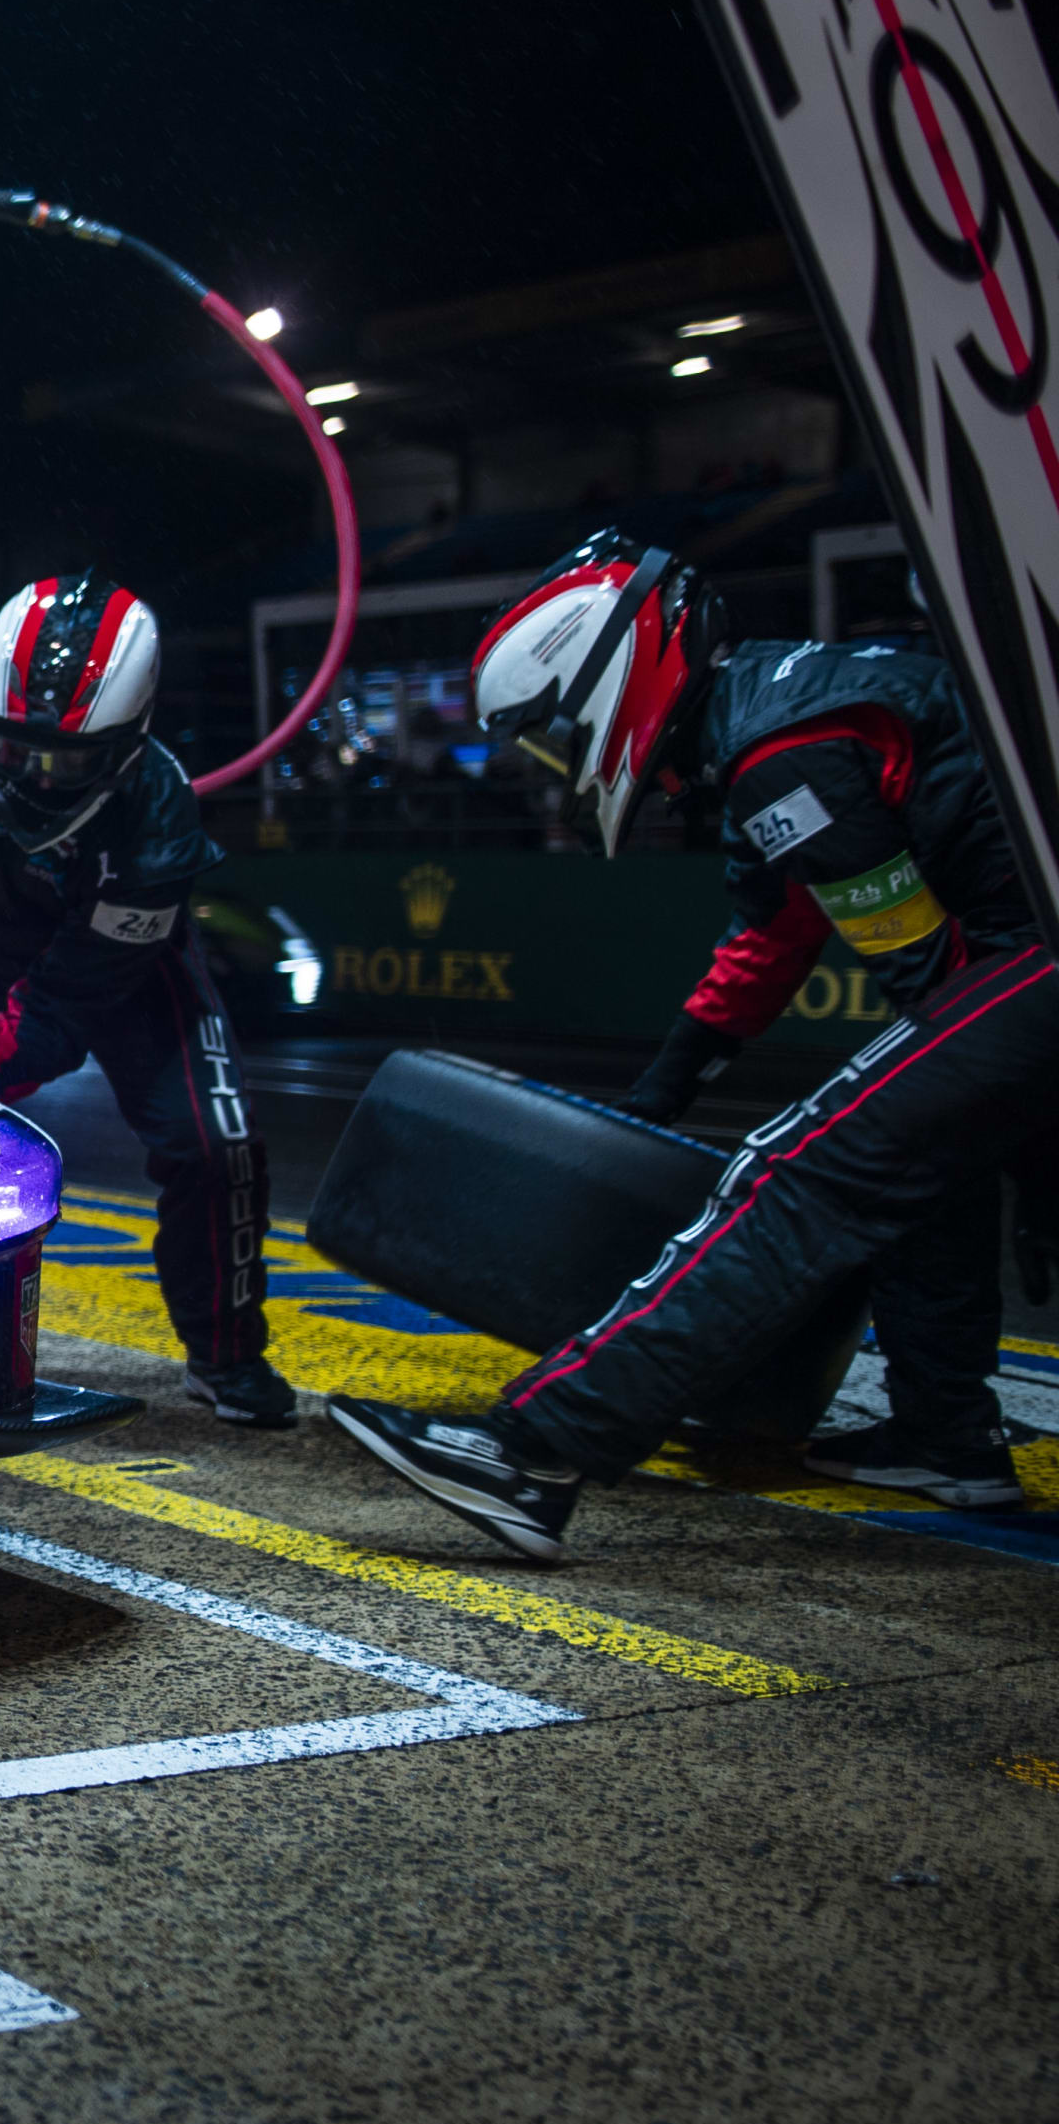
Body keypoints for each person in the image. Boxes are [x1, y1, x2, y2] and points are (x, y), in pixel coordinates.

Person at [329, 536, 1054, 1553]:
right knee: (916, 1155)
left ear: (610, 685)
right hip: (1031, 951)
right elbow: (773, 935)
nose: (557, 767)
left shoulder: (780, 755)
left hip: (1038, 958)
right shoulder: (762, 722)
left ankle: (537, 1450)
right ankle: (950, 1436)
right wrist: (655, 1097)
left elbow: (930, 981)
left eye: (553, 738)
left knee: (802, 1170)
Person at [0, 575, 292, 1428]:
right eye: (15, 752)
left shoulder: (160, 830)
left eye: (67, 761)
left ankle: (228, 1357)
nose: (38, 779)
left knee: (217, 1144)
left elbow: (56, 1014)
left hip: (112, 955)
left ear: (129, 742)